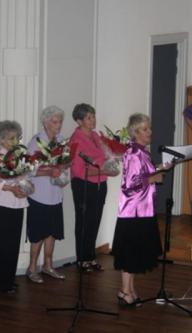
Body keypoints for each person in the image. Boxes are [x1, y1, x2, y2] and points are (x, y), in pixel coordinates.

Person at [111, 113, 166, 306]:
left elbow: (142, 174)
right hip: (133, 211)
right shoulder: (134, 153)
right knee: (130, 253)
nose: (149, 132)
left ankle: (131, 289)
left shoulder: (142, 152)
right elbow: (130, 185)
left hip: (143, 210)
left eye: (149, 128)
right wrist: (154, 178)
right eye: (145, 129)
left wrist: (159, 168)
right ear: (135, 132)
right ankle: (125, 291)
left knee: (135, 253)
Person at [69, 103, 118, 271]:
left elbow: (104, 157)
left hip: (99, 183)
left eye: (93, 116)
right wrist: (103, 170)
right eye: (88, 117)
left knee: (94, 221)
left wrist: (111, 164)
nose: (93, 120)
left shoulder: (95, 136)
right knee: (83, 222)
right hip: (83, 184)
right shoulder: (76, 140)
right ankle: (82, 259)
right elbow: (77, 170)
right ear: (79, 121)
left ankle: (90, 257)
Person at [25, 106, 67, 283]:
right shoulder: (36, 141)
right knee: (39, 233)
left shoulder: (61, 140)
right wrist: (49, 171)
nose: (58, 125)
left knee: (52, 232)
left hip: (55, 194)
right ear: (45, 122)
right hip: (39, 195)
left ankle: (48, 265)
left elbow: (66, 163)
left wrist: (62, 169)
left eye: (60, 122)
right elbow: (28, 170)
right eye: (55, 122)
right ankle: (32, 267)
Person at [0, 120, 28, 294]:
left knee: (13, 244)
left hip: (18, 203)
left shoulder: (17, 155)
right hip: (3, 203)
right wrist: (9, 187)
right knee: (3, 245)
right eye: (11, 138)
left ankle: (8, 279)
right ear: (1, 139)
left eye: (17, 138)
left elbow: (24, 176)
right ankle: (1, 282)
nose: (15, 141)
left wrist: (23, 188)